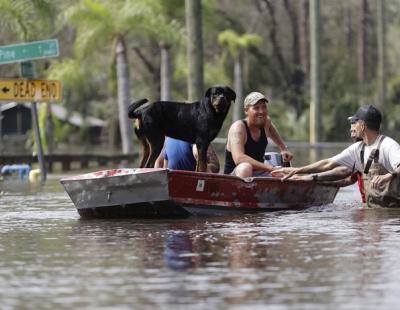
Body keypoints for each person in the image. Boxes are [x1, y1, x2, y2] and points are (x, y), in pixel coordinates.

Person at [274, 104, 400, 207]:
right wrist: (298, 171)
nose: (352, 126)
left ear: (362, 125)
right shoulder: (358, 149)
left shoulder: (388, 145)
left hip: (394, 214)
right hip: (373, 212)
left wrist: (387, 176)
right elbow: (328, 163)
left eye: (355, 123)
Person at [223, 91, 293, 178]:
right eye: (256, 108)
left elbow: (272, 131)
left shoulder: (266, 121)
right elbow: (239, 158)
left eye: (264, 107)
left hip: (259, 173)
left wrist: (283, 148)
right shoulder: (238, 128)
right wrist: (271, 168)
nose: (261, 111)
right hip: (235, 175)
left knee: (286, 175)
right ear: (246, 110)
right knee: (245, 167)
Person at [155, 137, 220, 173]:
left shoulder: (168, 139)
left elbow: (160, 165)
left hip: (174, 189)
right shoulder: (197, 134)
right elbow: (215, 165)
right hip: (191, 189)